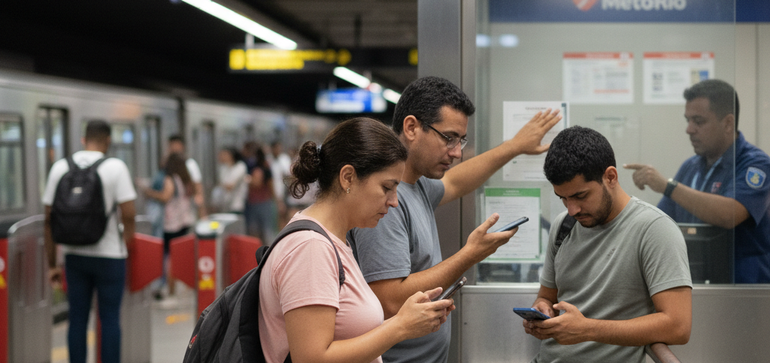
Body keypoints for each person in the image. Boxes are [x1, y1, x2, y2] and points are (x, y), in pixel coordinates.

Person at [348, 76, 561, 363]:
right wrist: (470, 255)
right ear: (411, 127)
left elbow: (456, 183)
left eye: (461, 140)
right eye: (448, 138)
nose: (457, 152)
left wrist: (514, 146)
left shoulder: (416, 184)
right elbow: (390, 300)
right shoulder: (385, 203)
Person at [258, 117, 453, 363]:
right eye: (387, 187)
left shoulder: (334, 241)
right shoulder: (310, 249)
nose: (394, 201)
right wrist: (401, 326)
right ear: (348, 177)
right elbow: (312, 358)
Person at [523, 126, 692, 362]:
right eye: (563, 198)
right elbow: (546, 297)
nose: (572, 210)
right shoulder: (564, 226)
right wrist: (541, 311)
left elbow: (677, 326)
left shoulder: (654, 229)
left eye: (581, 196)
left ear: (610, 177)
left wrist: (587, 329)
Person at [625, 79, 770, 283]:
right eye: (688, 120)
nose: (689, 129)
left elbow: (730, 214)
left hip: (744, 291)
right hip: (698, 284)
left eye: (698, 121)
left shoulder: (755, 164)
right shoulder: (690, 167)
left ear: (728, 123)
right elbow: (660, 223)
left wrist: (668, 186)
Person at [43, 120, 137, 363]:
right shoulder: (116, 167)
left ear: (83, 139)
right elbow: (128, 214)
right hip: (109, 257)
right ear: (107, 141)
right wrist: (126, 245)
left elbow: (48, 220)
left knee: (77, 319)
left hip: (74, 256)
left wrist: (53, 263)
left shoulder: (60, 167)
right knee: (109, 319)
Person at [141, 152, 201, 305]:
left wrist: (149, 193)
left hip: (171, 223)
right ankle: (179, 288)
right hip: (184, 221)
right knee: (179, 255)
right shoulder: (186, 179)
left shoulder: (171, 178)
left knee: (169, 258)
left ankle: (171, 291)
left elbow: (165, 197)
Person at [245, 146, 278, 244]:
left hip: (261, 202)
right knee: (261, 230)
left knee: (263, 230)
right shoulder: (264, 167)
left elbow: (266, 184)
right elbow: (271, 186)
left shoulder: (259, 168)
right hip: (260, 202)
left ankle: (264, 251)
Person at [167, 134, 205, 211]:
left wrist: (201, 210)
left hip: (187, 204)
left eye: (174, 145)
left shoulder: (190, 164)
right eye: (170, 146)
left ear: (181, 146)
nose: (172, 148)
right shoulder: (168, 164)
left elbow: (198, 186)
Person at [210, 147, 248, 214]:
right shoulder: (223, 168)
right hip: (224, 206)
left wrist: (221, 185)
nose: (220, 157)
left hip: (236, 205)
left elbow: (230, 186)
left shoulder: (240, 166)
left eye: (224, 154)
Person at [270, 140, 293, 226]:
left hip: (284, 193)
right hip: (272, 194)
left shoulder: (284, 159)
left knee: (284, 215)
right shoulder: (269, 160)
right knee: (275, 218)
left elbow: (288, 175)